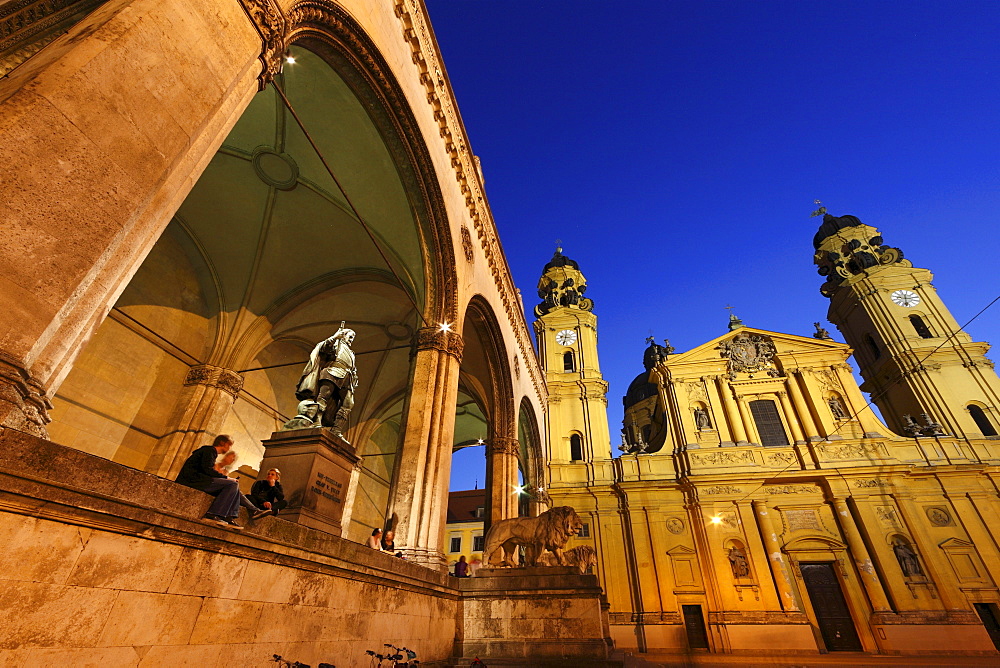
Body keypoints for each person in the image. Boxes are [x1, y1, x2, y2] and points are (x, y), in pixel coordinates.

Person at [295, 323, 358, 442]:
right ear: (343, 335)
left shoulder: (351, 352)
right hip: (332, 371)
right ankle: (317, 421)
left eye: (353, 338)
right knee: (323, 397)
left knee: (348, 403)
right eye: (350, 336)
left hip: (347, 377)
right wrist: (335, 337)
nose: (351, 339)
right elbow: (325, 348)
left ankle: (336, 430)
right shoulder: (336, 342)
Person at [176, 434, 247, 528]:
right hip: (193, 480)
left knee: (235, 486)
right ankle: (212, 514)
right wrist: (226, 478)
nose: (229, 448)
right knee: (232, 484)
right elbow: (207, 469)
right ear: (222, 443)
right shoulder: (209, 450)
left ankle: (229, 517)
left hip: (199, 479)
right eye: (229, 445)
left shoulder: (210, 452)